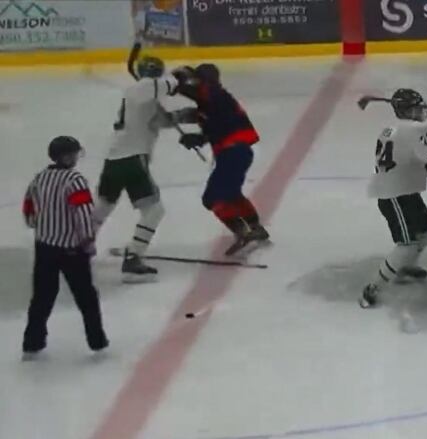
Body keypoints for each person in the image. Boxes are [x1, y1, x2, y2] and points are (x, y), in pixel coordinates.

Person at [93, 56, 187, 282]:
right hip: (132, 159)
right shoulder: (143, 87)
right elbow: (171, 84)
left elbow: (155, 122)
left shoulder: (141, 96)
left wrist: (179, 116)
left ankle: (76, 249)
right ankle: (134, 257)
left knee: (103, 206)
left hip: (114, 159)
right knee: (154, 211)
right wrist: (181, 75)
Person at [21, 136, 108, 357]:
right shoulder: (74, 180)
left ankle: (32, 343)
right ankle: (97, 341)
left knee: (42, 296)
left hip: (44, 246)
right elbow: (83, 213)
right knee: (86, 297)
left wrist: (43, 228)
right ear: (67, 156)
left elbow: (29, 212)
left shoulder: (39, 178)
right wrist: (87, 240)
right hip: (72, 249)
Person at [359, 89, 427, 309]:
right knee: (407, 244)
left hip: (402, 190)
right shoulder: (415, 129)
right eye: (417, 107)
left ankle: (405, 266)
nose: (422, 110)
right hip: (395, 195)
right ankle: (373, 287)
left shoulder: (390, 129)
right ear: (407, 110)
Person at [176, 63, 269, 257]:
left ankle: (243, 233)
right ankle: (255, 228)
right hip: (237, 153)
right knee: (232, 194)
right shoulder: (212, 99)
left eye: (198, 80)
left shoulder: (214, 96)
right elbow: (204, 110)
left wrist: (199, 138)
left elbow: (216, 122)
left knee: (212, 198)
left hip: (233, 153)